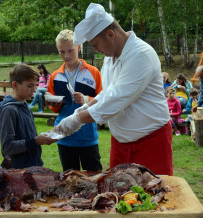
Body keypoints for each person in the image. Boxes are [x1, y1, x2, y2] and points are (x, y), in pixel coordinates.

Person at [54, 3, 173, 176]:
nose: (95, 49)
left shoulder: (141, 55)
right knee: (116, 195)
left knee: (154, 196)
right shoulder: (110, 59)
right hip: (120, 142)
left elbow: (116, 100)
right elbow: (107, 93)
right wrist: (85, 107)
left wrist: (76, 120)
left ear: (110, 34)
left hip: (151, 141)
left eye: (96, 44)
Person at [46, 29, 103, 172]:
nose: (66, 56)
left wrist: (86, 99)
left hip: (88, 137)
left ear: (79, 47)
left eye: (70, 50)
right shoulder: (54, 76)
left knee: (95, 177)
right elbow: (55, 109)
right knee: (70, 180)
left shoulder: (93, 72)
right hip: (64, 137)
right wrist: (53, 104)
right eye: (62, 52)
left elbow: (104, 100)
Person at [0, 64, 57, 169]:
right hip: (18, 171)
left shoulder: (24, 105)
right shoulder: (9, 110)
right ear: (15, 85)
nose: (34, 90)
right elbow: (7, 147)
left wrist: (47, 135)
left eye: (35, 86)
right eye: (30, 86)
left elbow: (28, 136)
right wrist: (35, 141)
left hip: (32, 166)